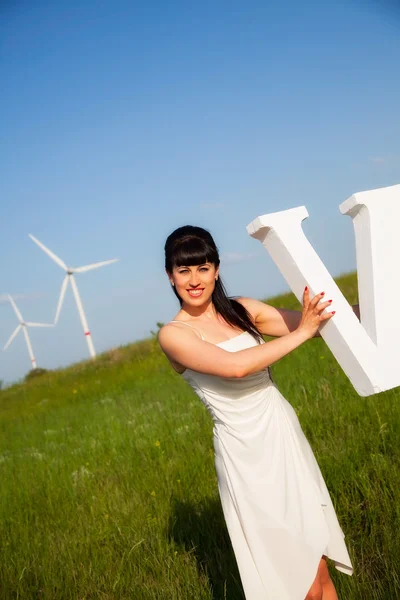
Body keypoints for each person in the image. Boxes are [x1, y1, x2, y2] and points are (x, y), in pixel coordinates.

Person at [158, 225, 354, 600]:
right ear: (170, 275)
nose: (194, 279)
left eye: (202, 268)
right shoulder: (174, 335)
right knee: (293, 579)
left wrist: (378, 310)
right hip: (245, 456)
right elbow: (235, 367)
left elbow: (321, 322)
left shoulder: (242, 310)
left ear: (217, 269)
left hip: (282, 435)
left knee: (317, 567)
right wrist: (302, 333)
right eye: (183, 271)